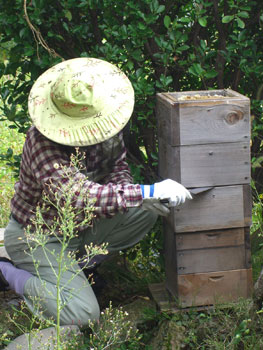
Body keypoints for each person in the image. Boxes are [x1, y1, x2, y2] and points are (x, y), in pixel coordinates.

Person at [0, 58, 192, 326]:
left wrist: (137, 194)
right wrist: (144, 190)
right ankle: (8, 271)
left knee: (145, 212)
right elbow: (76, 196)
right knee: (83, 314)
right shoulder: (40, 141)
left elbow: (117, 167)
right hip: (37, 237)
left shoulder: (106, 125)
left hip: (82, 228)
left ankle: (80, 267)